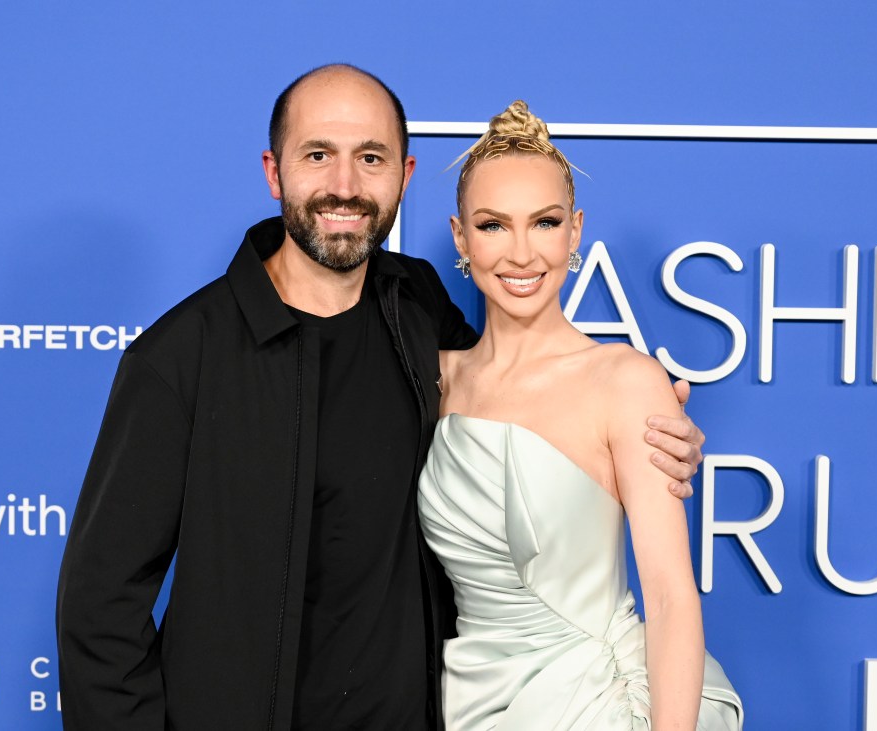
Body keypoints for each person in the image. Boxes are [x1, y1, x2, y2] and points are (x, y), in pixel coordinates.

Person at [56, 65, 708, 730]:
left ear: (405, 174)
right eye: (318, 155)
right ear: (274, 171)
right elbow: (98, 609)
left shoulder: (419, 310)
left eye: (371, 158)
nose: (345, 185)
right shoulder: (180, 357)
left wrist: (658, 430)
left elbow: (529, 397)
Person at [418, 101, 744, 730]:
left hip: (601, 707)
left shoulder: (625, 382)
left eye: (544, 222)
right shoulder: (434, 380)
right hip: (469, 706)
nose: (521, 253)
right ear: (460, 237)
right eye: (492, 225)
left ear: (575, 231)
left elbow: (673, 597)